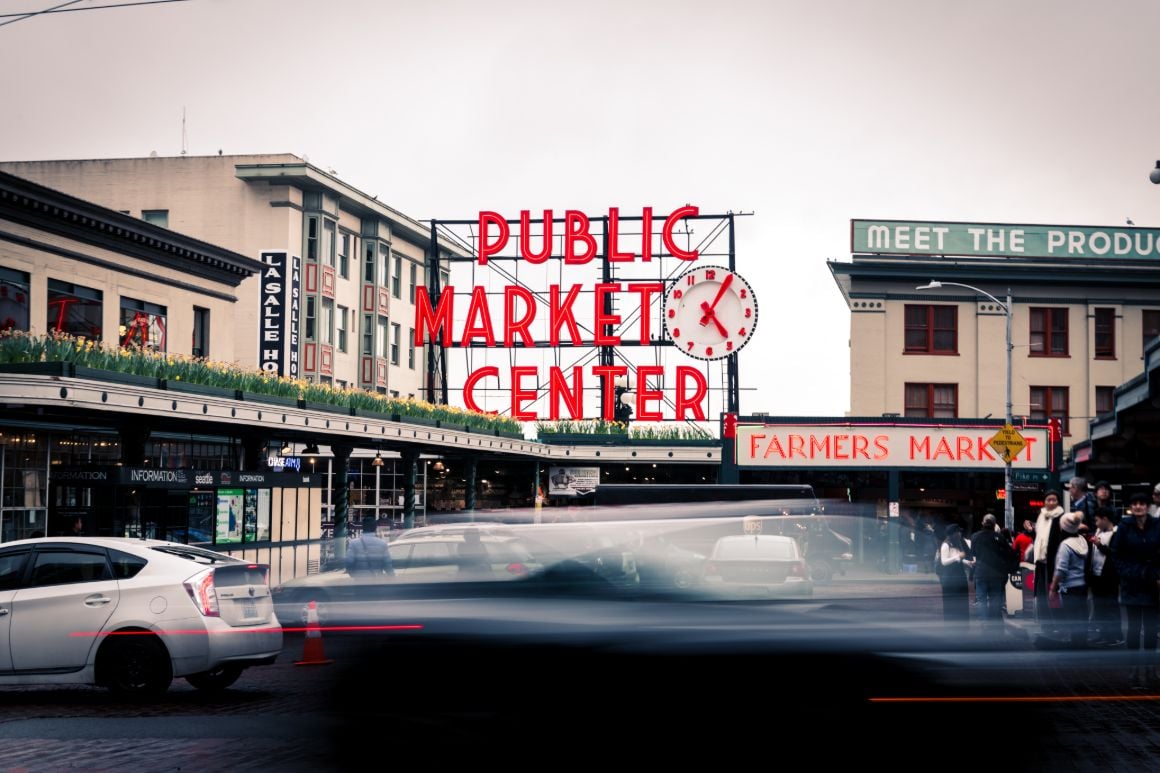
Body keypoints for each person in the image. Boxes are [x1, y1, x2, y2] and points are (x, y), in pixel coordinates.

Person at [1111, 492, 1160, 688]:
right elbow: (1116, 554)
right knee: (1132, 629)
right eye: (1135, 503)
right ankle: (1132, 668)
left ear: (1148, 506)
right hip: (1131, 582)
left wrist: (1157, 573)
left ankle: (1149, 668)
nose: (1139, 506)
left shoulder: (1157, 526)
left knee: (1150, 628)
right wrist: (1127, 572)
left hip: (1152, 582)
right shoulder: (1124, 527)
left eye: (1142, 503)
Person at [1048, 512, 1090, 649]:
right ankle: (1081, 642)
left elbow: (1061, 569)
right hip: (1082, 584)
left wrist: (1053, 588)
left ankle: (1075, 644)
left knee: (1072, 617)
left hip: (1069, 587)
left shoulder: (1065, 545)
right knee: (1082, 616)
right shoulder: (1082, 541)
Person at [970, 513, 1017, 633]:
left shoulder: (975, 536)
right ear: (995, 524)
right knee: (995, 599)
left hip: (980, 572)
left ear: (982, 523)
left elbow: (974, 553)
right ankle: (994, 623)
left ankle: (984, 623)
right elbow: (1008, 553)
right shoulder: (999, 537)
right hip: (996, 573)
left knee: (981, 600)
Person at [1032, 489, 1066, 635]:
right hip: (1040, 561)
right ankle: (1046, 625)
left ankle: (1057, 625)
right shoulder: (1041, 516)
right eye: (1048, 500)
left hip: (1053, 562)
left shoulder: (1062, 518)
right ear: (1044, 501)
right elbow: (1040, 537)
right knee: (1042, 595)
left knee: (1053, 595)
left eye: (1054, 500)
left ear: (1058, 502)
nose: (1051, 502)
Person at [1088, 506, 1123, 647]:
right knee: (1099, 608)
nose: (1095, 523)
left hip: (1109, 577)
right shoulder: (1098, 531)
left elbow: (1116, 554)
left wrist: (1100, 545)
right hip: (1096, 575)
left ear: (1105, 519)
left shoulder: (1117, 533)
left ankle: (1116, 636)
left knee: (1111, 607)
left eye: (1097, 520)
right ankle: (1104, 635)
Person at [937, 524, 975, 626]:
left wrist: (967, 562)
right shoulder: (946, 545)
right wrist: (958, 556)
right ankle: (951, 624)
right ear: (953, 533)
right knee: (951, 601)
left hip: (959, 575)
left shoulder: (957, 543)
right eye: (958, 532)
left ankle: (962, 623)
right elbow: (944, 561)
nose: (960, 534)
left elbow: (958, 559)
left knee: (961, 600)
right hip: (949, 577)